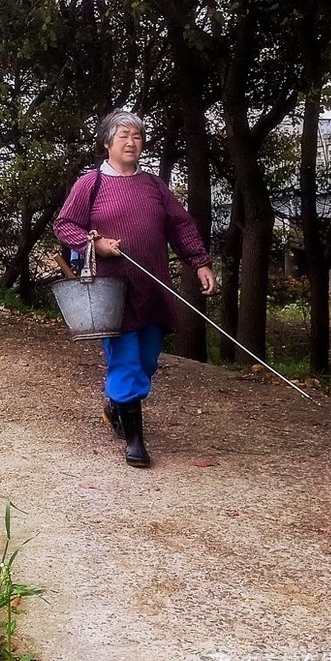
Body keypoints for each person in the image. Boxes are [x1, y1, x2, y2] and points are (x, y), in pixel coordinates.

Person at [53, 109, 217, 468]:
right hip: (114, 293)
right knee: (126, 361)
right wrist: (93, 244)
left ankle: (116, 404)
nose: (131, 142)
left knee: (147, 361)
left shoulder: (154, 186)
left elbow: (181, 226)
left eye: (137, 137)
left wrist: (200, 262)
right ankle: (135, 442)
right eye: (123, 136)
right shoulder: (90, 184)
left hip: (154, 288)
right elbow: (65, 226)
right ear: (107, 142)